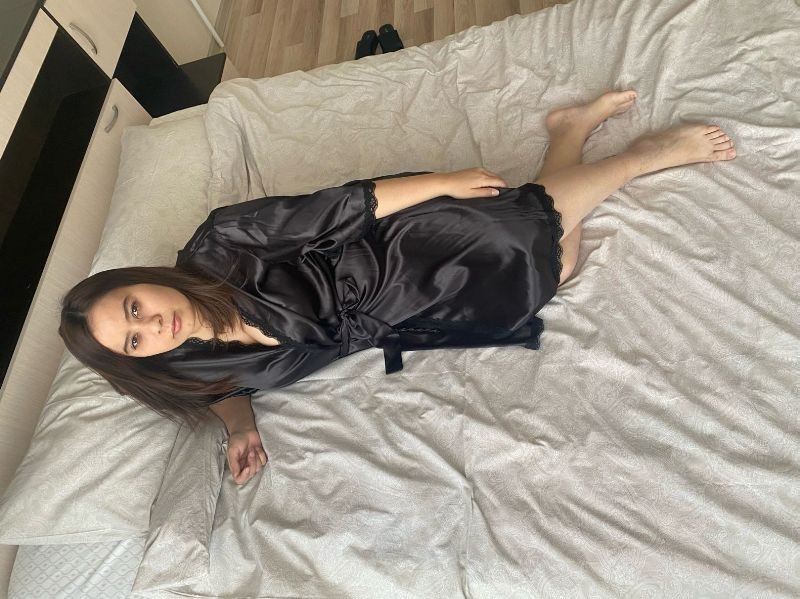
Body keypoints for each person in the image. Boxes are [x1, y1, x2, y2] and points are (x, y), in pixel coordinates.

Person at [59, 90, 736, 485]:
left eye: (134, 307)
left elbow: (335, 209)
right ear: (137, 359)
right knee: (554, 269)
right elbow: (224, 389)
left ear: (140, 280)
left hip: (392, 249)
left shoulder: (220, 244)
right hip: (399, 315)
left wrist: (442, 183)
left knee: (524, 231)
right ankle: (568, 132)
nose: (153, 326)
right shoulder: (182, 366)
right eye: (135, 340)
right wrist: (240, 427)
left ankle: (642, 156)